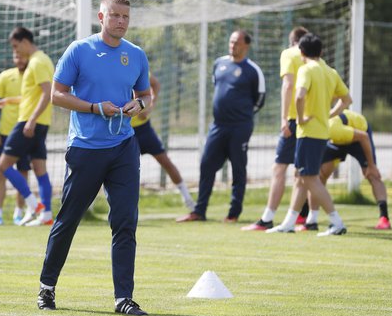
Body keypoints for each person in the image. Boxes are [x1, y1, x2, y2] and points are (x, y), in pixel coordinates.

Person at [37, 0, 151, 316]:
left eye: (125, 17)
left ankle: (123, 299)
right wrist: (93, 108)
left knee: (126, 221)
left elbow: (146, 95)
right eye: (115, 16)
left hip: (124, 148)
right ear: (101, 17)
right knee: (69, 219)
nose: (121, 22)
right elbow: (57, 95)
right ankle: (47, 288)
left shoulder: (136, 55)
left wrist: (139, 105)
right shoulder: (79, 51)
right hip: (86, 149)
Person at [267, 33, 352, 236]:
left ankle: (336, 222)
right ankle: (289, 223)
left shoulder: (306, 70)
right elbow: (347, 99)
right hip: (322, 131)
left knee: (310, 178)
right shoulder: (330, 72)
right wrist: (330, 114)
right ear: (321, 51)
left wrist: (301, 118)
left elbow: (299, 96)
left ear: (301, 52)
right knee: (300, 177)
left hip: (309, 133)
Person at [176, 30, 265, 223]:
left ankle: (233, 213)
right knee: (206, 164)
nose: (233, 45)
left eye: (237, 43)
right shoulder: (219, 63)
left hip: (240, 127)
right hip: (218, 126)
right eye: (231, 41)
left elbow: (260, 100)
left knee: (238, 169)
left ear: (246, 46)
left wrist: (242, 115)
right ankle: (200, 211)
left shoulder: (252, 70)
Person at [243, 26, 310, 231]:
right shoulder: (318, 62)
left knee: (279, 168)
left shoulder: (289, 54)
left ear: (292, 42)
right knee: (305, 172)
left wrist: (284, 118)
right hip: (313, 121)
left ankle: (268, 218)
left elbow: (288, 85)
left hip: (293, 119)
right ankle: (307, 217)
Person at [0, 27, 55, 227]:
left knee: (3, 165)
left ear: (24, 42)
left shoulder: (37, 63)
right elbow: (32, 96)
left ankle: (32, 205)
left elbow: (48, 93)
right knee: (40, 169)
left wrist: (30, 120)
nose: (16, 51)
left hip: (28, 123)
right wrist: (8, 100)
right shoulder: (43, 59)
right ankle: (46, 214)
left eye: (15, 46)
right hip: (41, 123)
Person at [299, 109, 391, 230]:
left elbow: (364, 137)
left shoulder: (332, 129)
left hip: (359, 137)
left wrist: (371, 165)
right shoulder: (313, 132)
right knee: (318, 175)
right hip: (337, 141)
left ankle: (384, 218)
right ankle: (309, 219)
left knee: (371, 175)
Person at [131, 73, 194, 209]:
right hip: (124, 131)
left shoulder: (136, 62)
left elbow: (156, 84)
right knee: (122, 170)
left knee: (165, 161)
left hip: (144, 129)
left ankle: (188, 199)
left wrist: (149, 107)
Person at [0, 51, 29, 226]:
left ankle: (19, 212)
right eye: (16, 56)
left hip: (25, 133)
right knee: (1, 172)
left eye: (21, 55)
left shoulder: (33, 77)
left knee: (23, 172)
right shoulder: (5, 76)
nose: (19, 59)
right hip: (6, 133)